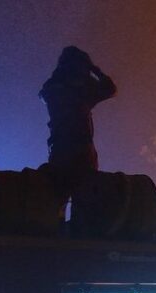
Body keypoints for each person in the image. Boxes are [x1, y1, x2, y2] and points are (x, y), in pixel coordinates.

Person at [39, 46, 117, 190]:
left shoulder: (54, 88)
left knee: (56, 199)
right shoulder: (81, 91)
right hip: (80, 153)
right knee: (86, 202)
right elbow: (110, 89)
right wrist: (93, 69)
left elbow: (45, 93)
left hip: (61, 151)